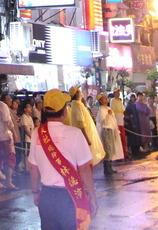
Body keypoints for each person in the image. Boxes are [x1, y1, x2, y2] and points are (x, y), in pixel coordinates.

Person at [28, 90, 96, 230]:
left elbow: (33, 168)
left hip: (47, 196)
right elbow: (84, 169)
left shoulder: (37, 135)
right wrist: (93, 197)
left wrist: (36, 192)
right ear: (64, 111)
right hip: (70, 197)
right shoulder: (75, 134)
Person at [94, 96, 121, 176]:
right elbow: (103, 121)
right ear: (100, 101)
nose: (106, 100)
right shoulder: (101, 110)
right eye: (104, 99)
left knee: (111, 148)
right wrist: (108, 115)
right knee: (108, 148)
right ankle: (106, 168)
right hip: (106, 130)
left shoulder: (108, 108)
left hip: (111, 129)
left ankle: (110, 166)